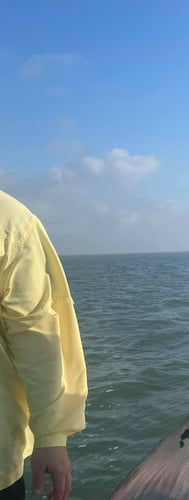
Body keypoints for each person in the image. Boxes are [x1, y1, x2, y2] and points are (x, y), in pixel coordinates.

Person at [0, 190, 88, 500]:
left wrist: (50, 436)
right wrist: (50, 435)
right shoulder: (9, 217)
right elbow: (32, 329)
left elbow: (33, 332)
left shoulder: (9, 219)